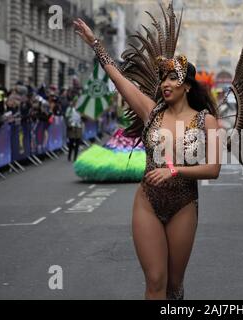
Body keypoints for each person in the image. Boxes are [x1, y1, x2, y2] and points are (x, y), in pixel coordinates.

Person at [74, 16, 222, 300]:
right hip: (147, 202)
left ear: (187, 85)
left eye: (172, 78)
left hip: (183, 204)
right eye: (163, 78)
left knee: (173, 286)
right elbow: (118, 77)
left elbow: (213, 169)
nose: (166, 83)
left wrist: (174, 171)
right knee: (155, 281)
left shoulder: (206, 121)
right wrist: (95, 43)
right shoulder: (151, 111)